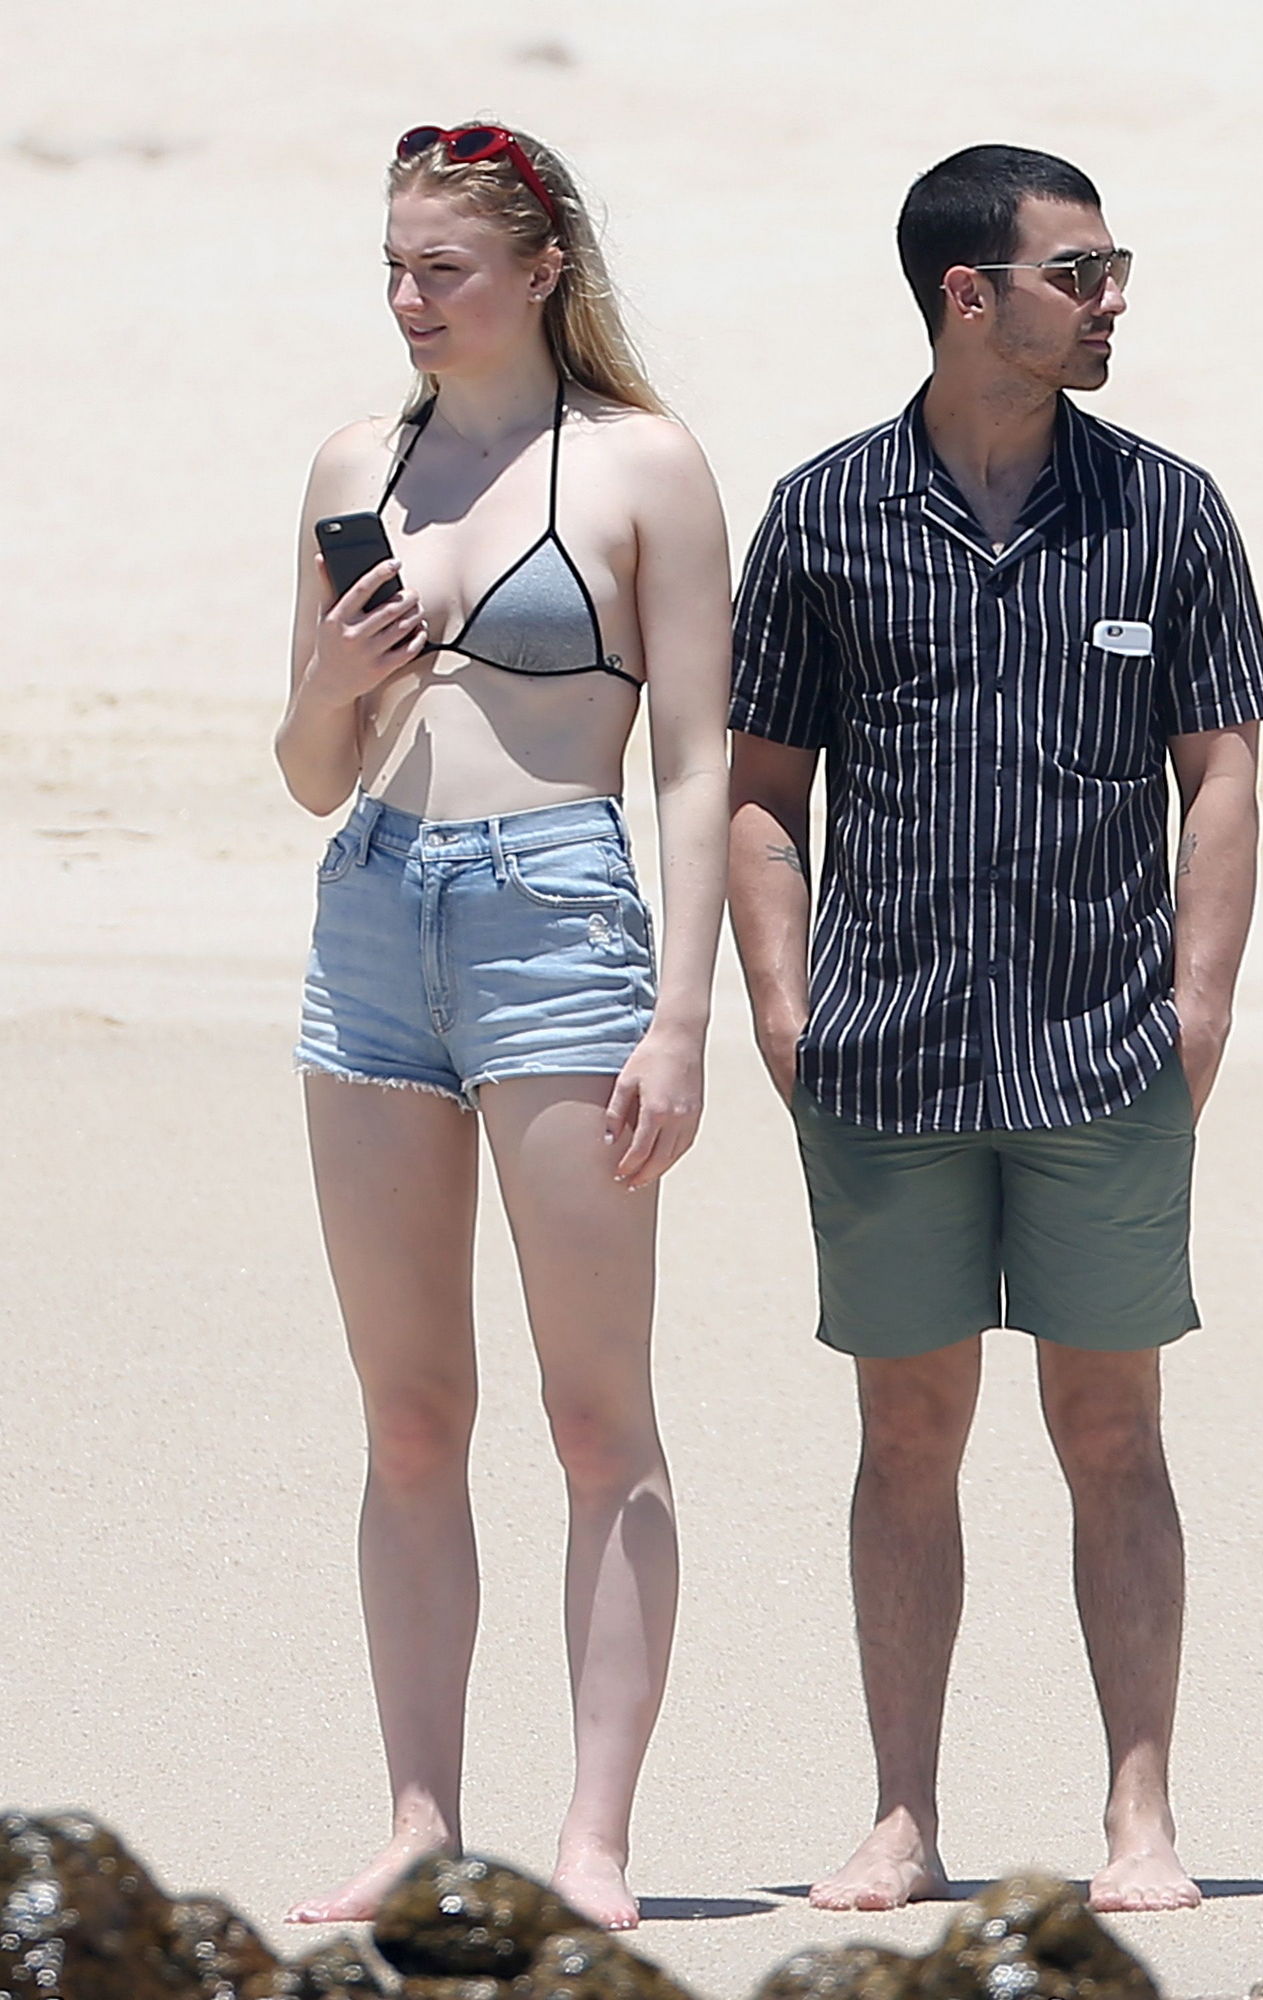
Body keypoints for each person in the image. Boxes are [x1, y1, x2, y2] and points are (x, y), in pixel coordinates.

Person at [728, 144, 1263, 1916]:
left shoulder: (1168, 509)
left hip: (1104, 1053)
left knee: (1112, 1430)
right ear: (969, 294)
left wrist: (1197, 1009)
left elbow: (1221, 771)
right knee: (907, 1437)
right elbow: (761, 789)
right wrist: (784, 1010)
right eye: (1079, 271)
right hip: (881, 1054)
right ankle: (902, 1818)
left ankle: (1142, 1818)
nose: (1113, 299)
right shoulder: (821, 513)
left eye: (1115, 268)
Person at [275, 121, 729, 1931]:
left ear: (543, 269)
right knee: (407, 1414)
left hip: (559, 913)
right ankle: (417, 1822)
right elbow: (309, 772)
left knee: (595, 1411)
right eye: (393, 267)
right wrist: (336, 677)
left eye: (441, 268)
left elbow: (692, 762)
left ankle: (595, 1841)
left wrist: (680, 1014)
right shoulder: (355, 461)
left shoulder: (642, 464)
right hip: (372, 912)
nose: (409, 298)